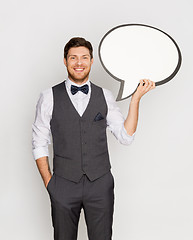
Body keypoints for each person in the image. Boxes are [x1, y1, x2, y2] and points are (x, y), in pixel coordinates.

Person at [32, 37, 155, 240]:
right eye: (73, 58)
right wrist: (50, 183)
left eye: (84, 57)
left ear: (91, 61)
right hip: (63, 184)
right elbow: (39, 142)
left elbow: (125, 137)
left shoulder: (105, 95)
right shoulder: (49, 97)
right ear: (65, 61)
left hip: (100, 184)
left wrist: (136, 99)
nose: (79, 63)